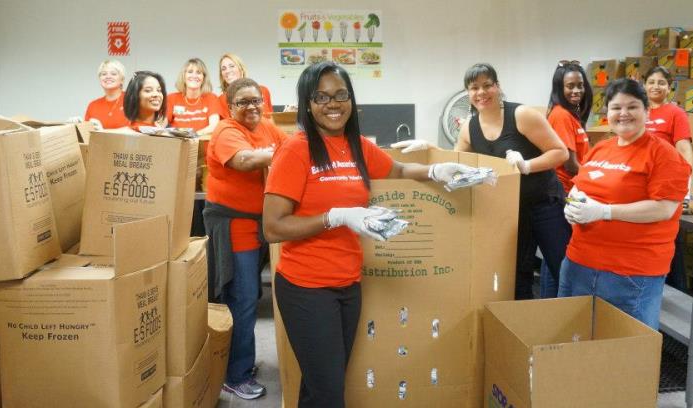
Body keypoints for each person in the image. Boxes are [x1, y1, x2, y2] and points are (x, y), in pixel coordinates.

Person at [262, 62, 478, 407]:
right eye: (321, 97)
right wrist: (335, 216)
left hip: (347, 284)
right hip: (306, 289)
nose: (333, 104)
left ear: (351, 99)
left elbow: (400, 168)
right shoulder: (295, 150)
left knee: (321, 385)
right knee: (329, 393)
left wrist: (438, 169)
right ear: (307, 104)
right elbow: (272, 227)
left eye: (341, 94)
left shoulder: (356, 146)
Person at [559, 78, 691, 329]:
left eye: (632, 107)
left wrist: (604, 212)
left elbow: (664, 208)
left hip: (631, 272)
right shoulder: (601, 149)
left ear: (646, 111)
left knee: (627, 349)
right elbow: (580, 184)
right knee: (573, 340)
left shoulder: (663, 155)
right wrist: (572, 204)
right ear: (607, 111)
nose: (623, 114)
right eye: (616, 107)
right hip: (579, 263)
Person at [203, 77, 287, 400]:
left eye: (256, 101)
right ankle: (234, 375)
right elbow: (243, 160)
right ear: (230, 107)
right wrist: (272, 155)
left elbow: (289, 145)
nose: (251, 107)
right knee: (242, 299)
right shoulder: (226, 131)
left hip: (256, 225)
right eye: (243, 102)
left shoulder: (265, 126)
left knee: (247, 297)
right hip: (233, 226)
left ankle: (240, 363)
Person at [455, 63, 569, 300]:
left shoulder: (521, 115)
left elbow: (560, 152)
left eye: (487, 85)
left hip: (544, 203)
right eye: (474, 87)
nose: (481, 93)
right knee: (516, 275)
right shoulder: (469, 128)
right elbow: (457, 162)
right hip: (510, 210)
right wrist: (428, 150)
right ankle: (522, 328)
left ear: (498, 87)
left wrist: (527, 165)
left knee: (562, 267)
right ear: (467, 93)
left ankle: (572, 323)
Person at [540, 60, 593, 298]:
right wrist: (599, 181)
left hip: (570, 195)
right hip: (562, 196)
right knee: (559, 258)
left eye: (580, 85)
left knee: (556, 256)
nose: (576, 91)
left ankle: (551, 306)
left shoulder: (573, 115)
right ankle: (553, 308)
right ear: (559, 88)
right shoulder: (561, 115)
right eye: (570, 86)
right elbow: (569, 164)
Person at [645, 65, 693, 291]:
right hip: (640, 184)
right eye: (652, 81)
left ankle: (678, 290)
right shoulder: (637, 110)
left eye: (661, 82)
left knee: (670, 239)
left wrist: (687, 188)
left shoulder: (675, 113)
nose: (656, 86)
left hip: (665, 184)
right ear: (644, 85)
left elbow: (684, 149)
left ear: (669, 88)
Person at [166, 58, 224, 135]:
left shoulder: (211, 98)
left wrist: (192, 136)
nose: (194, 76)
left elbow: (214, 126)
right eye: (190, 72)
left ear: (203, 78)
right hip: (177, 145)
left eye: (198, 72)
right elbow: (162, 124)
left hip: (202, 145)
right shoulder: (171, 98)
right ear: (184, 76)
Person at [217, 53, 274, 118]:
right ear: (221, 75)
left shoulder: (263, 90)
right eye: (223, 69)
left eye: (232, 66)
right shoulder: (221, 99)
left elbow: (271, 118)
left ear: (241, 69)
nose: (227, 71)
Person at [84, 59, 129, 129]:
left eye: (113, 74)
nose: (108, 77)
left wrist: (104, 132)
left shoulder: (132, 100)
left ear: (122, 80)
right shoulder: (93, 105)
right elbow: (87, 135)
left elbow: (136, 130)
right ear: (100, 79)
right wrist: (77, 125)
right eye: (104, 74)